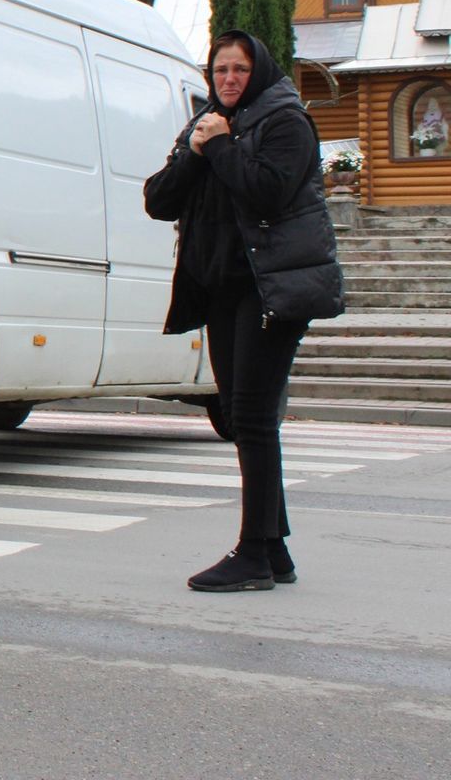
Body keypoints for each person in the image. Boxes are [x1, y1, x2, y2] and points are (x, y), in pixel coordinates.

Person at [144, 29, 343, 592]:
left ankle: (252, 553)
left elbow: (268, 193)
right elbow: (159, 200)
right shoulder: (206, 123)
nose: (228, 79)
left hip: (271, 289)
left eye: (239, 70)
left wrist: (224, 146)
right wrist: (200, 149)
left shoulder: (286, 122)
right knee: (237, 415)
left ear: (258, 72)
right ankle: (274, 549)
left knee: (253, 419)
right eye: (220, 70)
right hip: (223, 291)